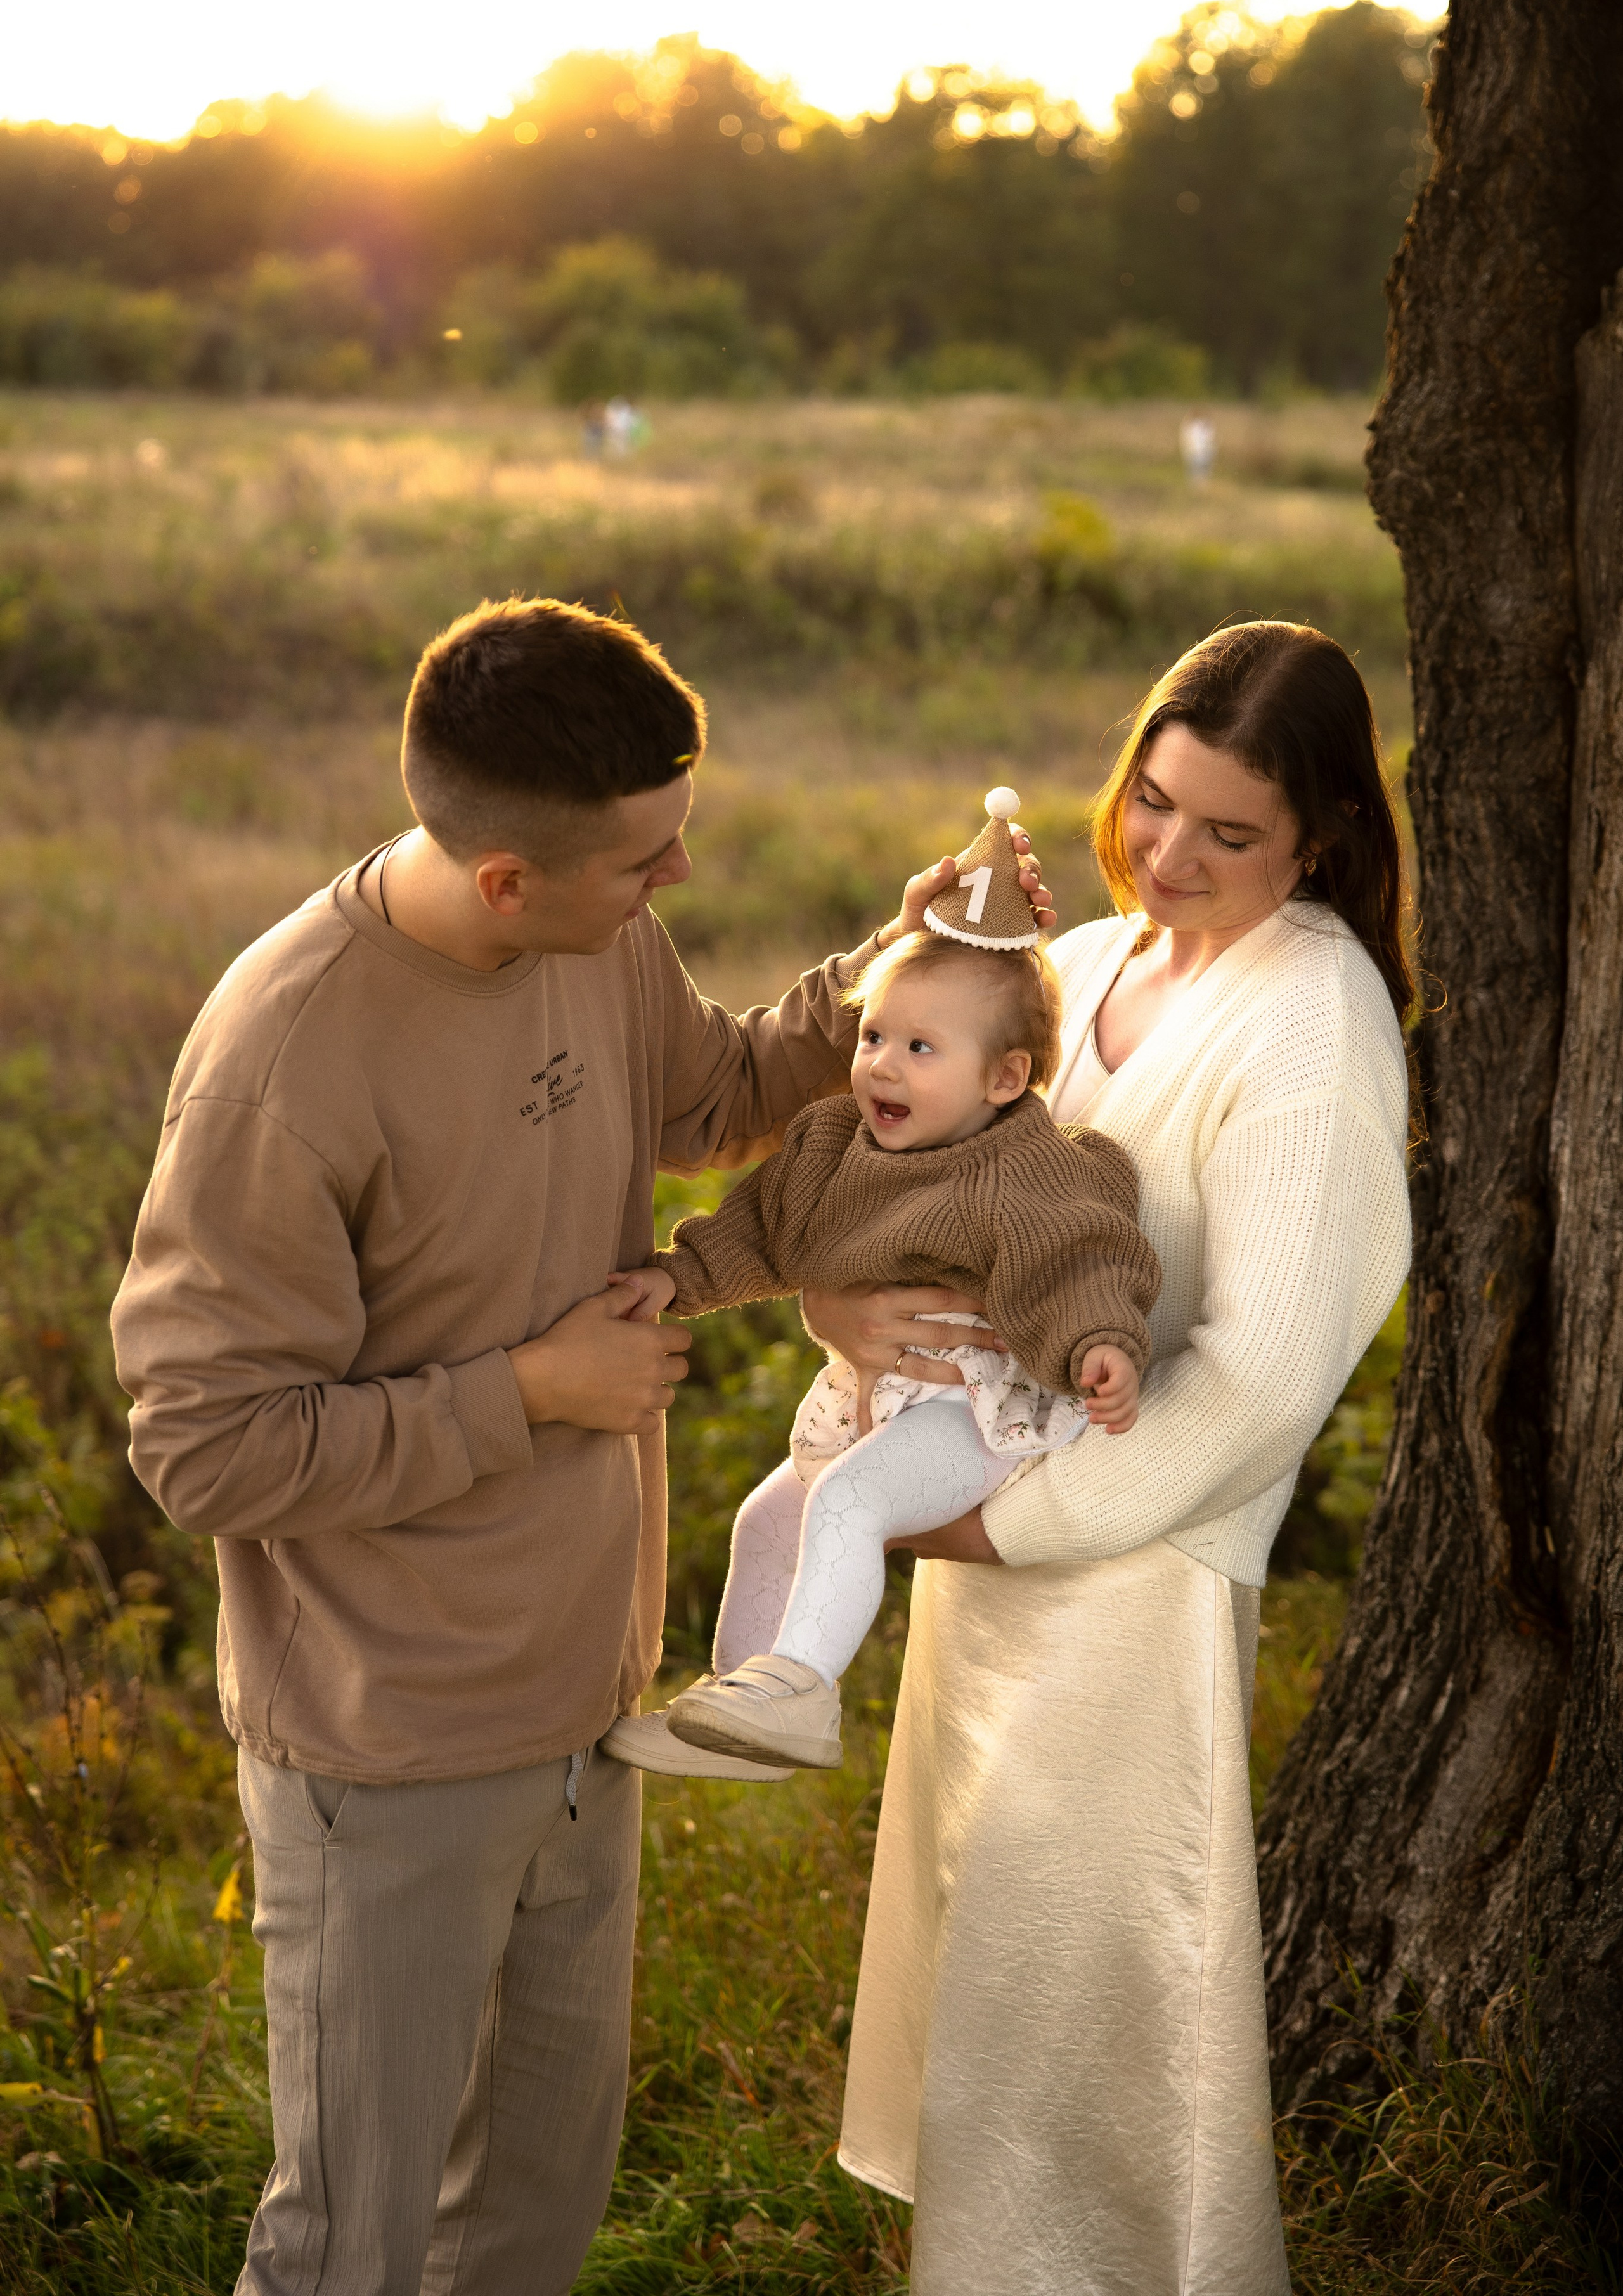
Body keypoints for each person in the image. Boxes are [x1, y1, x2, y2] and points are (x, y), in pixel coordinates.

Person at [109, 595, 1052, 2296]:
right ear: (503, 881)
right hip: (389, 1749)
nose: (672, 885)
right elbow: (203, 1450)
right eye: (643, 864)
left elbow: (712, 1095)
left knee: (533, 2210)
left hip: (585, 1712)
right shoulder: (289, 1062)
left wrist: (895, 969)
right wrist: (532, 1391)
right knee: (351, 2240)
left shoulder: (594, 941)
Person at [804, 621, 1414, 2296]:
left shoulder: (1318, 1019)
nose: (1172, 854)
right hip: (981, 1537)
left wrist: (1022, 1526)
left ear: (1322, 840)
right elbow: (923, 1165)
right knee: (979, 1982)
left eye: (1230, 832)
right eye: (1154, 803)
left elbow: (1270, 1372)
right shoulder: (1087, 973)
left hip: (1128, 1575)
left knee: (1075, 2019)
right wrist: (857, 1323)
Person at [602, 799, 1158, 1774]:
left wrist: (1099, 1344)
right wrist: (675, 1277)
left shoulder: (1028, 1170)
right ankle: (745, 1707)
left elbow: (1083, 1263)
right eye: (874, 1038)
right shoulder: (832, 1145)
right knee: (768, 1518)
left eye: (920, 1049)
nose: (880, 1068)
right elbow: (764, 1232)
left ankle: (804, 1694)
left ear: (1005, 1078)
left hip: (972, 1415)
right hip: (875, 1400)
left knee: (852, 1500)